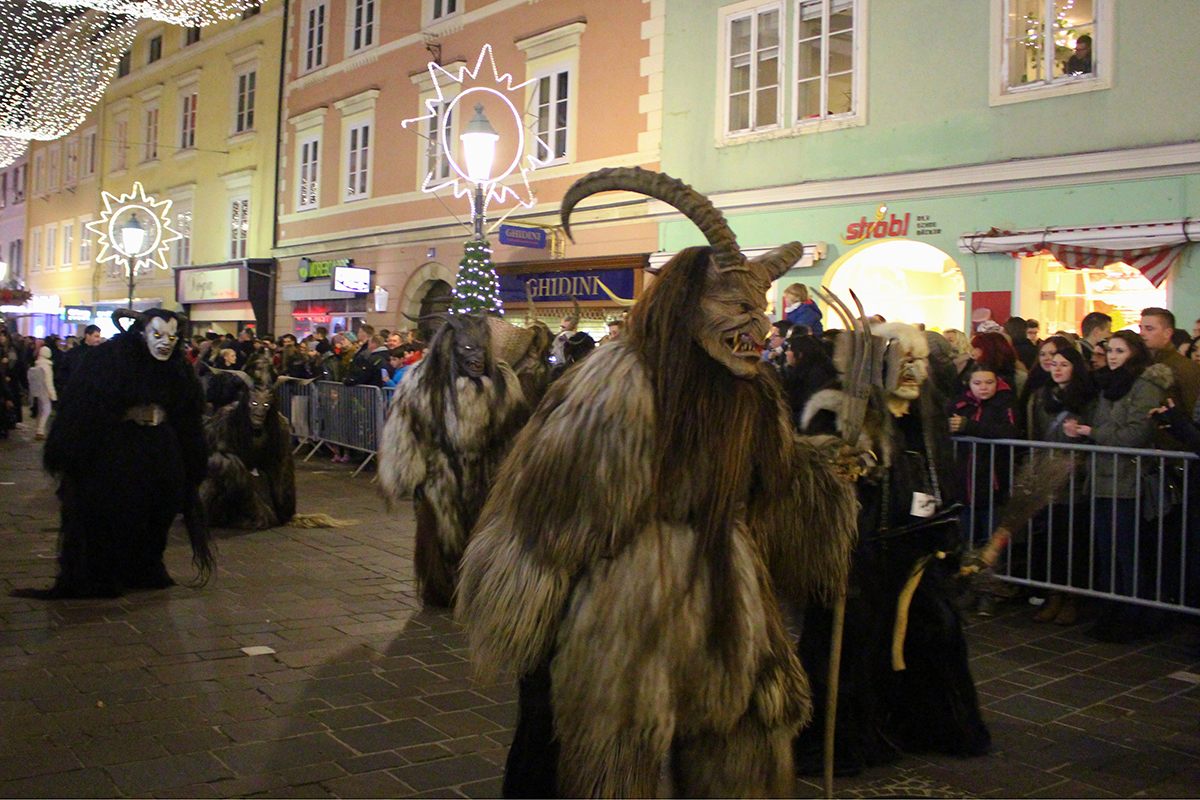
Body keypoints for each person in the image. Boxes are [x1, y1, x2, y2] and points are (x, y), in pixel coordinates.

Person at [456, 168, 857, 796]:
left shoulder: (750, 393)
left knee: (738, 744)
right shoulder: (617, 384)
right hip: (622, 610)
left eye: (762, 312)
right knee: (611, 754)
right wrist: (533, 619)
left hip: (727, 604)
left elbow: (772, 486)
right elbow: (552, 516)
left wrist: (829, 470)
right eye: (737, 307)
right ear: (686, 304)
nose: (757, 330)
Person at [12, 309, 212, 599]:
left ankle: (144, 566)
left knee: (160, 509)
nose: (165, 343)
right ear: (142, 334)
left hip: (160, 447)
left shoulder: (177, 368)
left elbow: (187, 413)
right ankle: (104, 572)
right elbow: (85, 406)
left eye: (171, 337)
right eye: (157, 335)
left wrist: (192, 458)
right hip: (120, 449)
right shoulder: (109, 359)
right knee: (114, 511)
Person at [1068, 331, 1171, 641]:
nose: (1112, 356)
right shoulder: (1106, 385)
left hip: (1129, 479)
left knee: (1128, 552)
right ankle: (1111, 611)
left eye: (1119, 350)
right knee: (1106, 550)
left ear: (1134, 353)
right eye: (1109, 350)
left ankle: (1135, 614)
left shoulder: (1144, 386)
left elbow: (1135, 434)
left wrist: (1095, 431)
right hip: (1102, 476)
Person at [1027, 345, 1096, 625]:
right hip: (1050, 475)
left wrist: (1080, 436)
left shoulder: (1088, 398)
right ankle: (1054, 593)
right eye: (1053, 363)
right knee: (1053, 539)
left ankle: (1072, 597)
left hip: (1075, 477)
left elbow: (1094, 433)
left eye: (1063, 364)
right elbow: (1035, 433)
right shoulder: (1043, 397)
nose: (1056, 368)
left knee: (1074, 540)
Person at [1139, 307, 1200, 420]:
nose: (1142, 333)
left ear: (1167, 333)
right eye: (1141, 328)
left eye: (1149, 329)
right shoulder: (1141, 364)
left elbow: (1192, 413)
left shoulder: (1185, 367)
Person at [27, 345, 57, 440]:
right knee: (47, 409)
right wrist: (53, 395)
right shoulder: (47, 366)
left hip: (38, 390)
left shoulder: (38, 364)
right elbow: (49, 381)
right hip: (45, 391)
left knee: (41, 410)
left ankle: (39, 429)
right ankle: (40, 430)